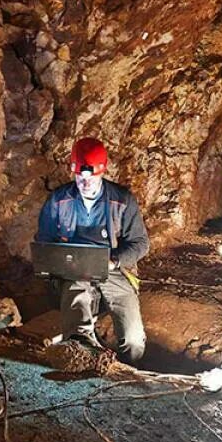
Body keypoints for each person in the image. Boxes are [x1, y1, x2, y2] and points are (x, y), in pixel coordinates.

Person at [35, 137, 149, 364]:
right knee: (78, 335)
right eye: (80, 177)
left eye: (91, 177)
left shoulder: (122, 200)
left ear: (102, 172)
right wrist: (57, 264)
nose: (85, 183)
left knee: (134, 341)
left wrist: (114, 261)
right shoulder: (59, 200)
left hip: (115, 269)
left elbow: (140, 243)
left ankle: (129, 373)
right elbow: (44, 240)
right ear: (74, 171)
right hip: (75, 269)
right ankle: (86, 362)